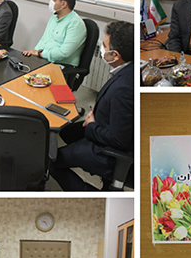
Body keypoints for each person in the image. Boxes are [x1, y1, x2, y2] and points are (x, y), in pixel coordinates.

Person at [50, 21, 133, 191]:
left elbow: (119, 140)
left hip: (107, 150)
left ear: (115, 55)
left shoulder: (124, 88)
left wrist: (91, 125)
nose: (102, 48)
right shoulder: (126, 70)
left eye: (105, 45)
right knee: (66, 131)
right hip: (103, 125)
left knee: (51, 162)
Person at [22, 0, 87, 67]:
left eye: (54, 0)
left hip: (60, 65)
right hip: (44, 59)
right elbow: (44, 39)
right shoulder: (54, 17)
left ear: (63, 4)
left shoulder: (75, 24)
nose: (51, 2)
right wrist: (34, 51)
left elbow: (64, 52)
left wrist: (40, 54)